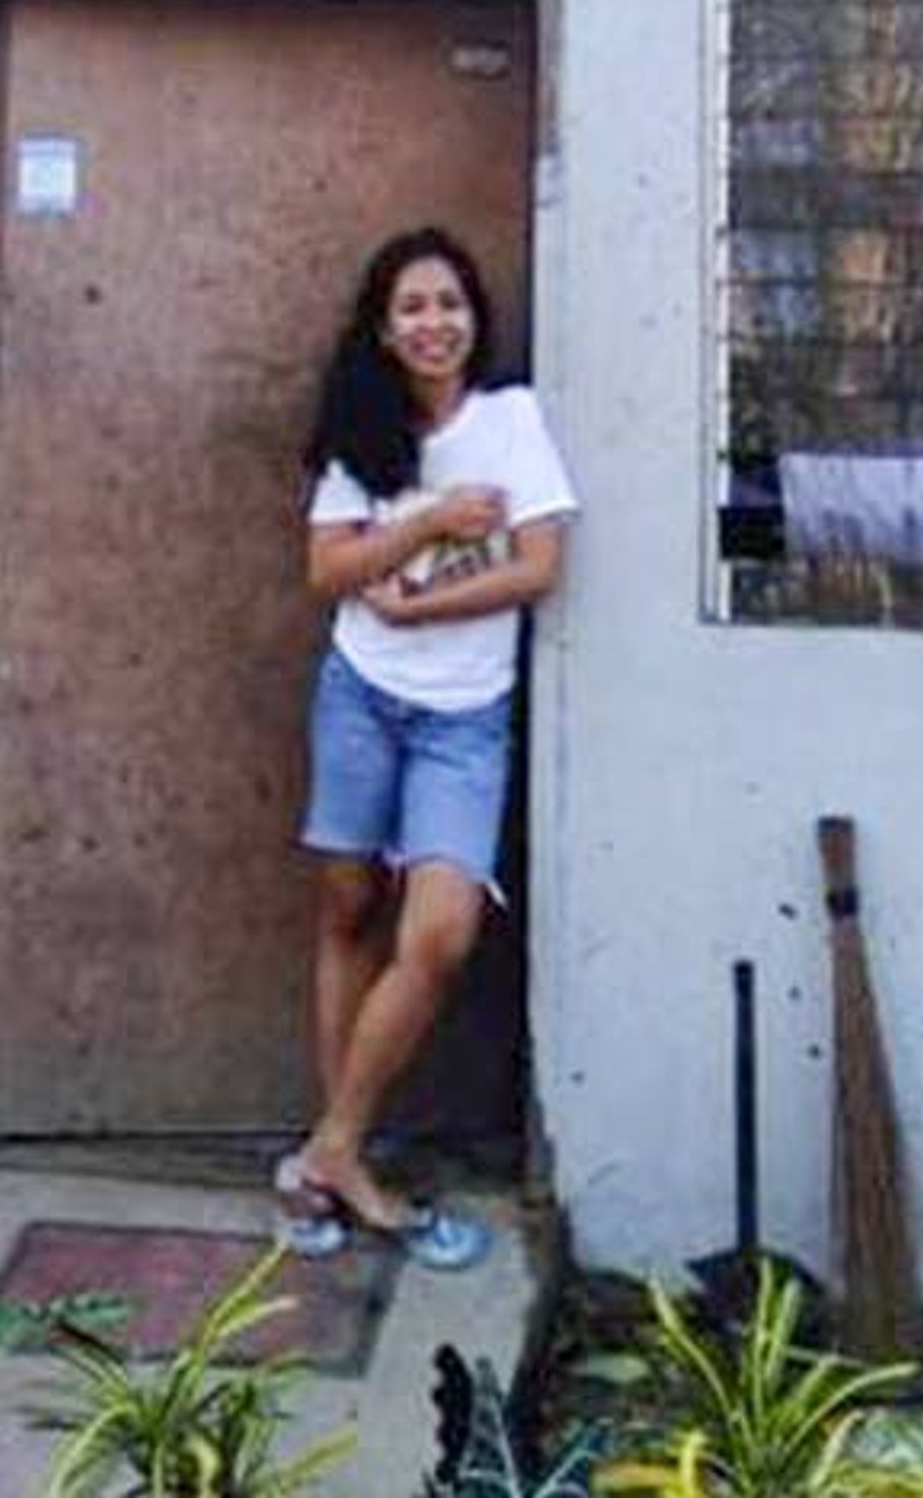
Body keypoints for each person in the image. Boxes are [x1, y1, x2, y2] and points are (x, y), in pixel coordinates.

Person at [273, 226, 574, 1272]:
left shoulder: (511, 419)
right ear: (384, 327)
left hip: (464, 717)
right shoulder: (367, 431)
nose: (434, 322)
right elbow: (330, 569)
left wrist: (422, 601)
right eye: (412, 307)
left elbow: (540, 564)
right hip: (359, 698)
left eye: (450, 302)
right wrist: (434, 520)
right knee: (349, 908)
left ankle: (332, 1150)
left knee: (439, 933)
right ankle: (342, 1147)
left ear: (474, 317)